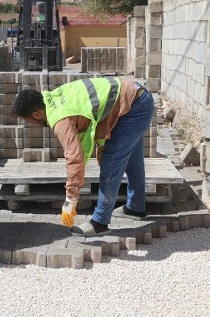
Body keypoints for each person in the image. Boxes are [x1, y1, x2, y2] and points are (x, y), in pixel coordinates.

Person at [11, 77, 154, 236]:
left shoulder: (60, 119)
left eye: (29, 121)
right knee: (133, 162)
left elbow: (74, 158)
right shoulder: (52, 97)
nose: (31, 124)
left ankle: (100, 222)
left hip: (133, 107)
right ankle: (135, 207)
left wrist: (70, 200)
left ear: (36, 114)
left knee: (110, 165)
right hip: (136, 95)